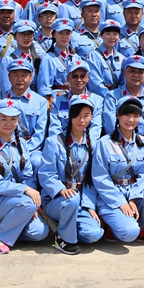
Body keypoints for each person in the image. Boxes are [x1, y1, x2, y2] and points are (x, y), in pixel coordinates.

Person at [0, 99, 50, 254]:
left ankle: (10, 225)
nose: (8, 123)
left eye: (13, 119)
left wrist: (30, 198)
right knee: (28, 203)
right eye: (3, 118)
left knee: (39, 232)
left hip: (18, 199)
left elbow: (28, 176)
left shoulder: (21, 144)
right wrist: (26, 193)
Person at [92, 97, 144, 245]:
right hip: (110, 196)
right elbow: (100, 177)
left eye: (136, 116)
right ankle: (111, 224)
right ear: (118, 115)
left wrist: (132, 198)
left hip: (133, 191)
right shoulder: (104, 143)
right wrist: (120, 202)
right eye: (127, 115)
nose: (131, 120)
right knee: (129, 233)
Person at [39, 95, 104, 254]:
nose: (81, 120)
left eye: (86, 115)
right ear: (70, 115)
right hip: (57, 201)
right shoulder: (54, 142)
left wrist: (89, 206)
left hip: (80, 201)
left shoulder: (94, 145)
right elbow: (46, 174)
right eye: (77, 115)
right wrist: (61, 189)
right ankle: (64, 239)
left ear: (92, 117)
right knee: (71, 199)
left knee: (93, 234)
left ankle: (63, 227)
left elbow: (92, 180)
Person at [102, 57, 144, 162]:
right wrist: (124, 143)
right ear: (124, 73)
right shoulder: (112, 96)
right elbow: (110, 124)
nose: (136, 75)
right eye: (132, 71)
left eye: (140, 72)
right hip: (120, 144)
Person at [0, 58, 47, 170]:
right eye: (15, 75)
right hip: (5, 147)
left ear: (31, 77)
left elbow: (40, 132)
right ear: (9, 77)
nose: (20, 79)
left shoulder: (40, 102)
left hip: (31, 148)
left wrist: (24, 149)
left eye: (24, 75)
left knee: (37, 161)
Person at [49, 59, 104, 142]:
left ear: (88, 78)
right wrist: (61, 144)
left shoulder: (97, 100)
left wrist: (85, 144)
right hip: (63, 144)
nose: (79, 80)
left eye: (82, 76)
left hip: (88, 144)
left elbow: (95, 128)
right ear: (68, 78)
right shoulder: (58, 101)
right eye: (74, 76)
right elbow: (55, 128)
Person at [36, 17, 80, 98]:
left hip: (76, 97)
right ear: (54, 34)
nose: (64, 37)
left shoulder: (76, 58)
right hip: (58, 99)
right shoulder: (48, 58)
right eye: (60, 33)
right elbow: (44, 87)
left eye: (67, 33)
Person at [86, 19, 126, 96]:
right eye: (108, 34)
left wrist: (118, 95)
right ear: (101, 35)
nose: (112, 37)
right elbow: (95, 83)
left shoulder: (122, 58)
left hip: (118, 97)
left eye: (115, 34)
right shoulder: (94, 56)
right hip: (100, 97)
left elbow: (123, 82)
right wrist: (110, 97)